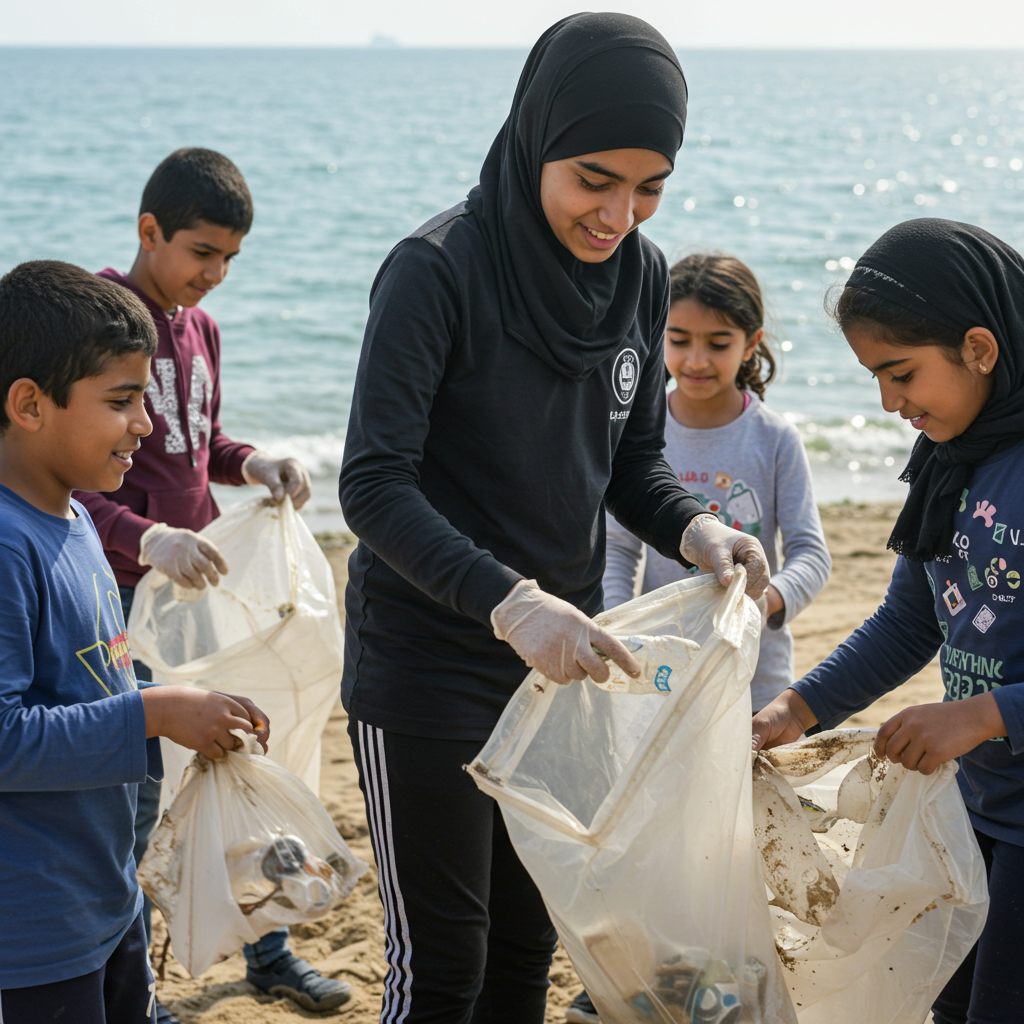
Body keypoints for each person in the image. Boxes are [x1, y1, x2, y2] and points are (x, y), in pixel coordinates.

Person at [338, 14, 770, 1024]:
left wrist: (695, 531)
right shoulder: (434, 270)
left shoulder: (642, 276)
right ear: (535, 137)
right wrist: (509, 601)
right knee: (443, 966)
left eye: (649, 186)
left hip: (566, 664)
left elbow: (628, 462)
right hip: (427, 667)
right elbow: (374, 485)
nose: (618, 213)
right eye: (593, 178)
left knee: (535, 940)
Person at [72, 149, 340, 1019]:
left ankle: (269, 948)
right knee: (138, 790)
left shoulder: (202, 328)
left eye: (230, 259)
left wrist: (252, 461)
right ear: (149, 232)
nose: (214, 275)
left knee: (236, 757)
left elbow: (197, 441)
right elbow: (69, 481)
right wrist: (146, 538)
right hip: (113, 597)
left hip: (190, 591)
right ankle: (136, 983)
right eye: (200, 253)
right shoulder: (99, 321)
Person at [752, 218, 1024, 1024]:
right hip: (970, 811)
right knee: (950, 1004)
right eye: (873, 376)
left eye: (900, 373)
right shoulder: (951, 455)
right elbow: (910, 620)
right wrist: (792, 712)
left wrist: (983, 714)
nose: (887, 402)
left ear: (980, 347)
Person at [0, 260, 270, 1024]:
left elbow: (86, 694)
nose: (146, 427)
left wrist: (182, 708)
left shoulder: (76, 520)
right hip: (31, 931)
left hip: (105, 895)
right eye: (121, 403)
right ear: (28, 404)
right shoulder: (6, 544)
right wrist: (155, 713)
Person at [566, 253, 832, 1024]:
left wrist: (766, 601)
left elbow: (812, 552)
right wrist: (624, 633)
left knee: (733, 839)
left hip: (750, 678)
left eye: (718, 342)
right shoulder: (640, 437)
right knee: (654, 834)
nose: (694, 359)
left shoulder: (773, 440)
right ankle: (642, 973)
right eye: (676, 339)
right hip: (655, 679)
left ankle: (733, 979)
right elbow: (618, 552)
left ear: (752, 343)